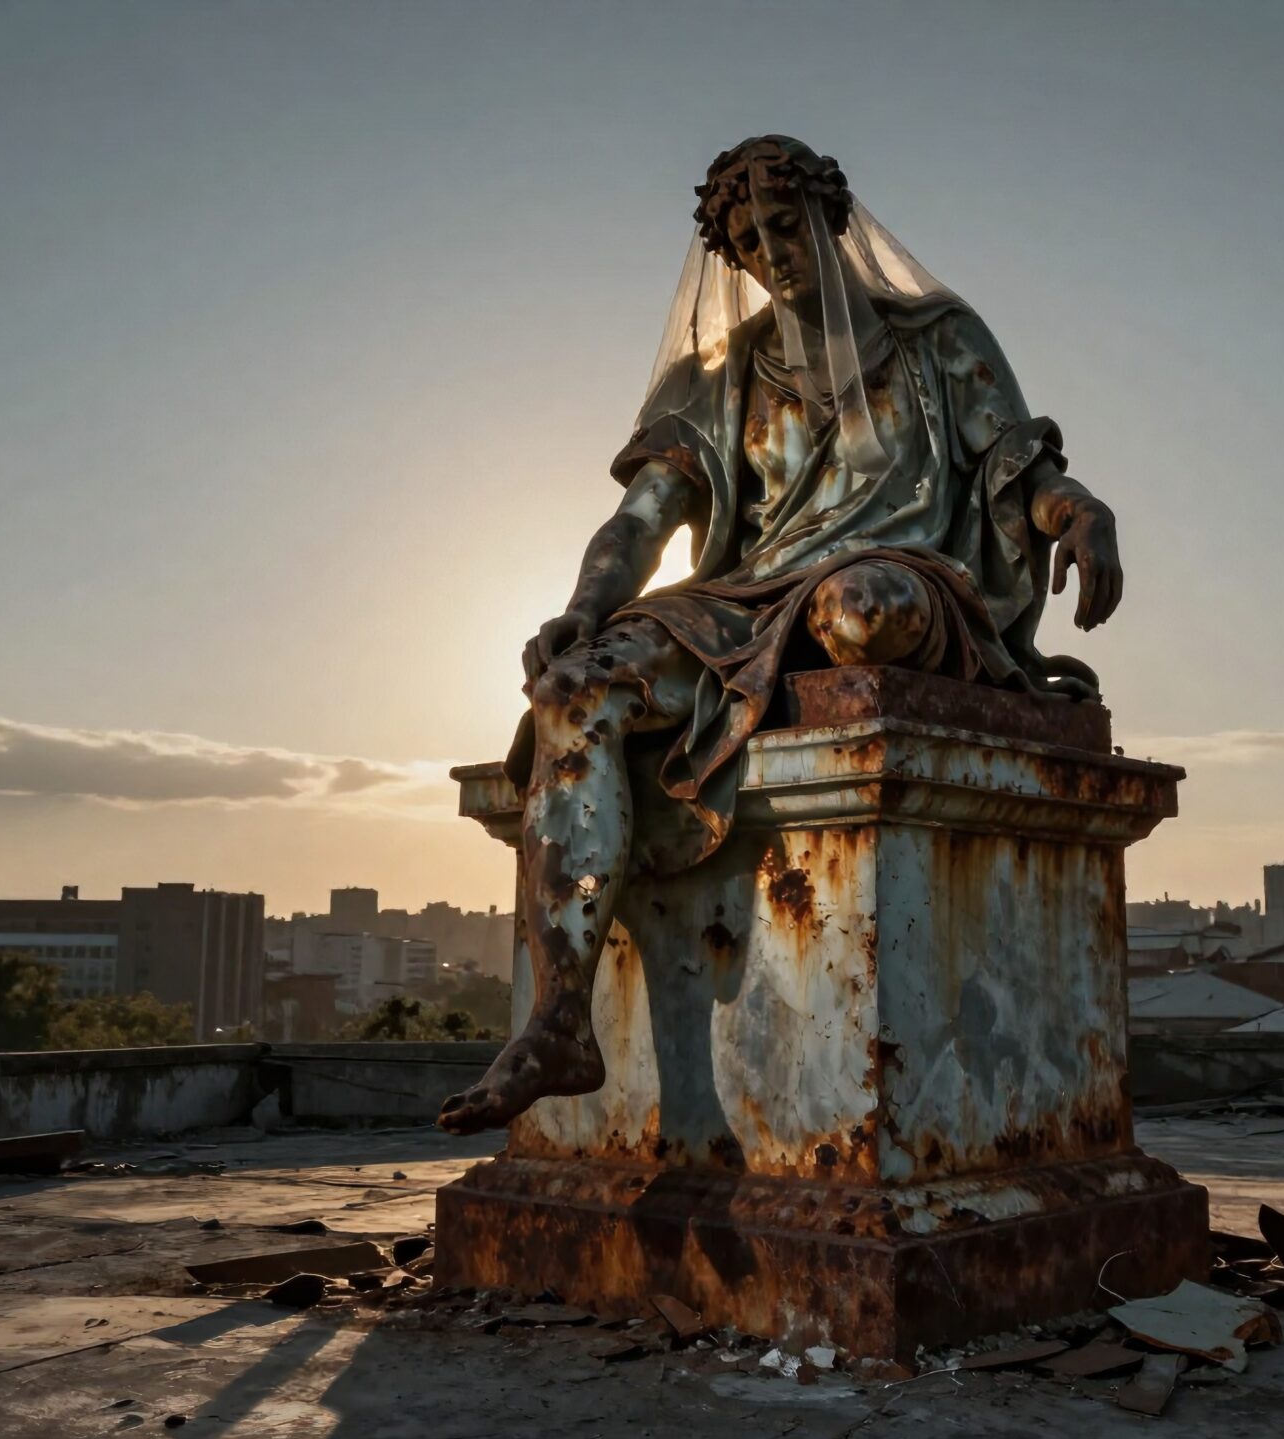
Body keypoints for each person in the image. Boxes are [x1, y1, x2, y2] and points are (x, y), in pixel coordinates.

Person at [438, 136, 1125, 1135]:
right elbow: (643, 517)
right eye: (750, 240)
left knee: (860, 616)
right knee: (572, 691)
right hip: (748, 596)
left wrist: (1083, 511)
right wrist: (586, 604)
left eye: (785, 226)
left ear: (828, 219)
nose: (773, 251)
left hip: (898, 581)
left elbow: (1020, 465)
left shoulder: (936, 336)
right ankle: (557, 1019)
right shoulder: (718, 377)